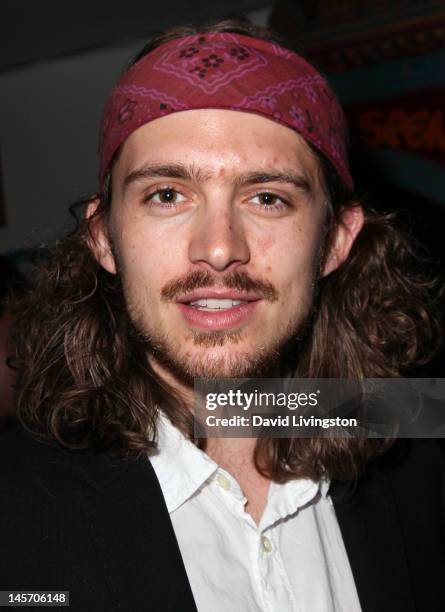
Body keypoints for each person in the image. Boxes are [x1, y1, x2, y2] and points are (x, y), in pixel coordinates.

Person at [1, 20, 445, 612]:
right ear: (105, 237)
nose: (217, 247)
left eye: (267, 198)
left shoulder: (412, 457)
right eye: (166, 195)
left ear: (336, 240)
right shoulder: (15, 514)